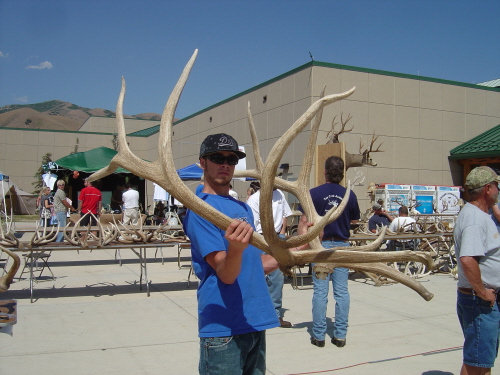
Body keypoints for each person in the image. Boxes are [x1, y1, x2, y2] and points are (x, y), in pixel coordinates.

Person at [183, 133, 279, 375]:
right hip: (224, 328)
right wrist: (235, 249)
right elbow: (225, 274)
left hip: (255, 321)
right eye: (217, 157)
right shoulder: (200, 209)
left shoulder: (242, 207)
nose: (225, 164)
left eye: (231, 159)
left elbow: (255, 266)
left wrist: (297, 251)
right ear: (202, 163)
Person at [298, 156, 360, 348]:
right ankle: (340, 335)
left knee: (320, 292)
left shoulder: (313, 194)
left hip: (320, 248)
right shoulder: (350, 195)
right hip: (342, 248)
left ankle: (318, 336)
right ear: (342, 174)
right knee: (342, 293)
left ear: (324, 172)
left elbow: (303, 220)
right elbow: (355, 221)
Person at [455, 166, 500, 375]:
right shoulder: (475, 219)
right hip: (480, 302)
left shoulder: (479, 215)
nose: (499, 191)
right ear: (488, 189)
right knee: (477, 365)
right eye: (497, 186)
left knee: (481, 362)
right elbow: (467, 260)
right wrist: (482, 292)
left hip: (480, 301)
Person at [247, 185, 293, 328]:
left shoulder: (279, 194)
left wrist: (283, 232)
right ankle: (257, 312)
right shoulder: (254, 199)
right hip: (261, 238)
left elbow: (285, 214)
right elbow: (252, 224)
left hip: (278, 238)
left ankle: (275, 314)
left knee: (277, 278)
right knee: (258, 277)